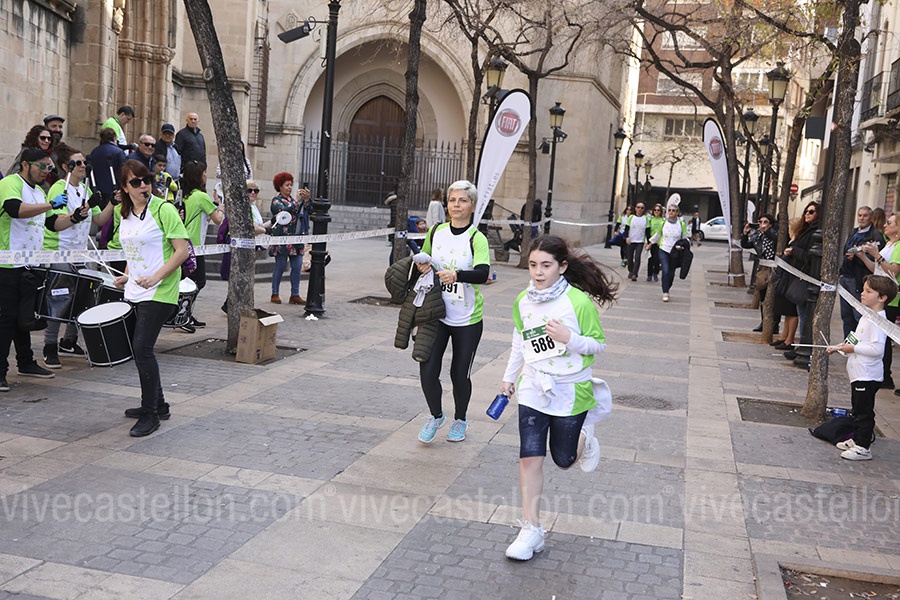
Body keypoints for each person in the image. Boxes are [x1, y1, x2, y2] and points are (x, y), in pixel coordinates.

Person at [500, 235, 617, 560]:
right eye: (533, 265)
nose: (538, 272)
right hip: (533, 386)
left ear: (562, 267)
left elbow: (598, 344)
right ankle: (531, 529)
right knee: (529, 456)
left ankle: (586, 435)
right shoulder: (523, 300)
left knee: (564, 460)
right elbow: (520, 340)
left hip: (570, 389)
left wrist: (569, 338)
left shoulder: (577, 303)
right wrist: (509, 377)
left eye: (546, 265)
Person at [0, 148, 89, 391]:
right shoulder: (11, 183)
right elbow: (14, 209)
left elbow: (52, 224)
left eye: (49, 167)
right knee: (6, 319)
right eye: (42, 166)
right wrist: (50, 203)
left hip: (31, 265)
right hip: (8, 264)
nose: (46, 171)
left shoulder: (39, 192)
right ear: (26, 164)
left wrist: (75, 217)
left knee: (24, 318)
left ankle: (26, 362)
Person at [112, 160, 189, 437]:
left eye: (146, 179)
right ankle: (159, 404)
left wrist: (157, 277)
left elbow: (182, 251)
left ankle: (150, 414)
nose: (143, 185)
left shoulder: (163, 209)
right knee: (139, 350)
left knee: (142, 349)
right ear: (125, 187)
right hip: (136, 290)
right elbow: (134, 250)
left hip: (161, 291)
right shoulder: (124, 214)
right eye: (136, 182)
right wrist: (126, 275)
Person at [415, 180, 490, 444]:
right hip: (436, 313)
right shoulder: (436, 231)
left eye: (463, 201)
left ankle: (460, 419)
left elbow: (483, 273)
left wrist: (457, 275)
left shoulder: (477, 238)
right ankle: (436, 416)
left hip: (467, 318)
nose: (456, 205)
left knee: (459, 374)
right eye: (452, 200)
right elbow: (423, 258)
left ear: (473, 206)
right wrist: (422, 265)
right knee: (427, 369)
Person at [41, 144, 115, 368]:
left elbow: (98, 220)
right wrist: (75, 216)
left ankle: (69, 341)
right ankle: (49, 345)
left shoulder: (85, 189)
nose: (83, 166)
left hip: (80, 252)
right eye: (78, 163)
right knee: (58, 299)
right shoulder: (58, 188)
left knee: (81, 297)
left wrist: (113, 203)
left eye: (84, 162)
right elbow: (56, 222)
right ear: (66, 167)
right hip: (60, 252)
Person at [826, 274, 898, 461]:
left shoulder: (878, 320)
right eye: (864, 290)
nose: (862, 294)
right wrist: (839, 347)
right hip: (859, 374)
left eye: (869, 291)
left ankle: (863, 446)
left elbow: (877, 349)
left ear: (882, 298)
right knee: (857, 409)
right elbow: (856, 339)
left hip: (867, 376)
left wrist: (852, 348)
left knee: (864, 412)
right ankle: (857, 438)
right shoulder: (868, 315)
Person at [855, 213, 900, 394]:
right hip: (879, 293)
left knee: (884, 337)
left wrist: (877, 255)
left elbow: (893, 271)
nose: (885, 225)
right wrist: (863, 257)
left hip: (890, 297)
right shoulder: (888, 244)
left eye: (890, 223)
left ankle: (885, 376)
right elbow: (877, 269)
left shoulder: (898, 246)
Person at [180, 161, 223, 332]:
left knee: (189, 281)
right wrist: (220, 206)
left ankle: (186, 314)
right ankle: (183, 314)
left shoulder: (188, 195)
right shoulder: (201, 196)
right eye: (204, 173)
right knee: (198, 281)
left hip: (185, 242)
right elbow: (218, 220)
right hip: (195, 245)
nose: (206, 175)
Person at [782, 201, 820, 366]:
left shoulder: (816, 233)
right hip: (798, 275)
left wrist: (794, 251)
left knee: (805, 315)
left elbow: (809, 257)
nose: (807, 214)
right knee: (801, 311)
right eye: (806, 211)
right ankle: (801, 346)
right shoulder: (805, 230)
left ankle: (805, 347)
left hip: (807, 278)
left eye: (811, 212)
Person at [838, 206, 883, 338]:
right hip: (845, 277)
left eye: (865, 215)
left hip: (858, 280)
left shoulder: (875, 235)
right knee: (846, 316)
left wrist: (859, 257)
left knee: (858, 315)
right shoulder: (853, 232)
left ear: (871, 218)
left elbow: (877, 259)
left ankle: (860, 343)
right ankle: (847, 343)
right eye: (859, 215)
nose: (861, 218)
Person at [268, 172, 310, 305]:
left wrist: (306, 200)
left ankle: (295, 294)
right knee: (280, 266)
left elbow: (308, 210)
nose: (289, 187)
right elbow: (285, 212)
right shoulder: (276, 201)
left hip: (296, 238)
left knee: (297, 266)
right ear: (280, 186)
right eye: (287, 185)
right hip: (282, 238)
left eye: (291, 185)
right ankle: (275, 293)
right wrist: (297, 201)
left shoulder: (294, 200)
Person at [646, 201, 691, 302]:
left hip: (675, 252)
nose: (671, 212)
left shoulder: (681, 224)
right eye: (669, 210)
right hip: (664, 249)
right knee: (665, 270)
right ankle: (665, 292)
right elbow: (657, 235)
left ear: (677, 212)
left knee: (671, 273)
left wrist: (682, 246)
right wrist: (649, 244)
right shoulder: (663, 223)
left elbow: (685, 238)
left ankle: (667, 287)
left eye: (673, 210)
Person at [741, 213, 777, 331]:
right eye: (760, 222)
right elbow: (745, 245)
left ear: (771, 224)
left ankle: (774, 324)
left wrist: (766, 231)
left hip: (774, 269)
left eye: (765, 222)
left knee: (773, 297)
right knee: (763, 296)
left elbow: (775, 239)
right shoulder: (758, 237)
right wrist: (745, 233)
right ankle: (764, 322)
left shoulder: (774, 234)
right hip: (763, 268)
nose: (762, 224)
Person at [623, 202, 648, 281]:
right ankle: (631, 270)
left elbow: (647, 231)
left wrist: (648, 242)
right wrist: (626, 237)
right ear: (635, 208)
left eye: (642, 208)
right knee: (629, 258)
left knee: (637, 257)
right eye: (638, 207)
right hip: (631, 240)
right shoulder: (631, 217)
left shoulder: (646, 218)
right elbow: (626, 229)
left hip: (640, 241)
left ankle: (635, 273)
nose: (640, 209)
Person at [646, 203, 664, 282]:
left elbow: (663, 233)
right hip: (651, 242)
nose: (656, 211)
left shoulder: (663, 220)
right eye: (655, 210)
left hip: (659, 243)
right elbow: (647, 231)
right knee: (651, 259)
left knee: (657, 259)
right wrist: (647, 242)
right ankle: (649, 274)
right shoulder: (650, 220)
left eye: (658, 210)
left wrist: (661, 241)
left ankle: (655, 273)